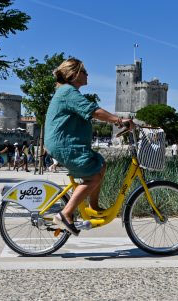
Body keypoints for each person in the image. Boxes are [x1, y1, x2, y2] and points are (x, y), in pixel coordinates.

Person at [45, 58, 133, 236]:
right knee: (92, 178)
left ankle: (93, 207)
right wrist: (119, 120)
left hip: (67, 143)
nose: (87, 74)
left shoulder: (67, 92)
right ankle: (65, 213)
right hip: (65, 145)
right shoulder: (68, 92)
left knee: (100, 163)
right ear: (74, 74)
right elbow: (93, 111)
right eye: (84, 71)